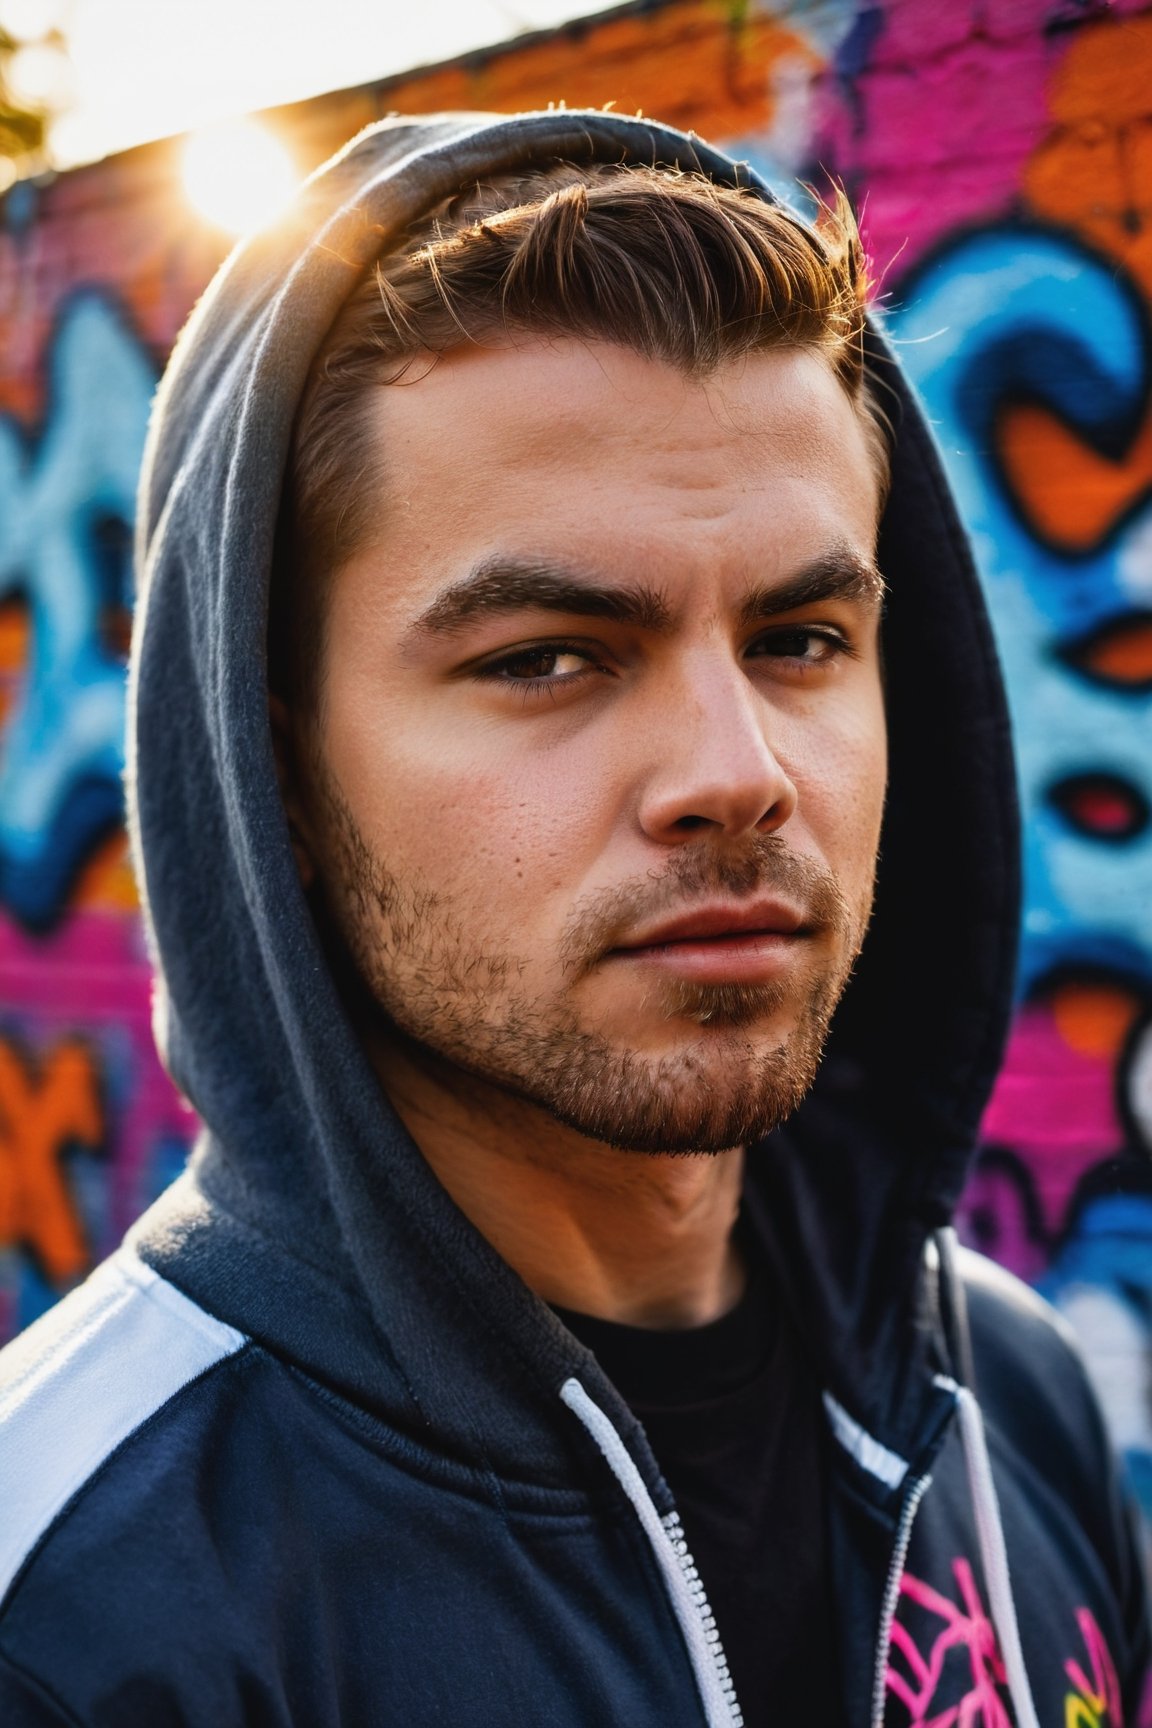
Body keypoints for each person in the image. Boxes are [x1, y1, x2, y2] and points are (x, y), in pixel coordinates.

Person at [0, 109, 1147, 1727]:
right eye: (549, 655)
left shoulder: (1009, 1401)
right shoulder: (72, 1609)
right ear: (277, 777)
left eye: (802, 638)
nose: (737, 775)